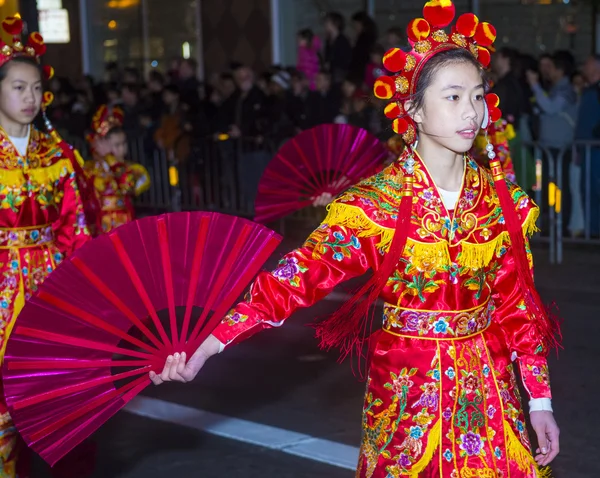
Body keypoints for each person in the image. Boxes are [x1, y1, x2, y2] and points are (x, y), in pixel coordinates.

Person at [151, 3, 560, 477]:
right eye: (452, 97)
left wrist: (540, 402)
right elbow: (295, 279)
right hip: (408, 400)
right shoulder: (375, 206)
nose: (471, 111)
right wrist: (210, 342)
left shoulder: (502, 201)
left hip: (490, 400)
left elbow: (517, 308)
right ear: (414, 110)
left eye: (477, 95)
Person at [0, 16, 93, 476]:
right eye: (18, 87)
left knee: (60, 398)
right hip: (0, 288)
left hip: (48, 284)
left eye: (35, 88)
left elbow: (75, 229)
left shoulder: (57, 155)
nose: (29, 98)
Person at [85, 105, 150, 233]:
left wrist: (111, 161)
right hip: (98, 229)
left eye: (124, 143)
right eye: (116, 145)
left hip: (124, 226)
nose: (122, 149)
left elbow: (128, 185)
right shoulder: (90, 169)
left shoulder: (132, 169)